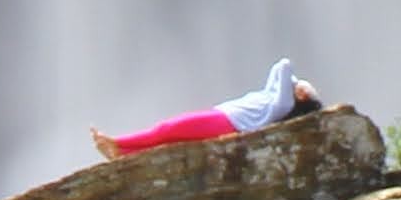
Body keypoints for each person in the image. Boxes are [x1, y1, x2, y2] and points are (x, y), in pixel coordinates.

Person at [92, 60, 323, 160]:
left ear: (302, 95)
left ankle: (117, 143)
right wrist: (296, 85)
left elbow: (284, 65)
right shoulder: (273, 98)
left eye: (300, 87)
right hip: (224, 117)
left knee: (167, 129)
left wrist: (296, 84)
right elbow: (275, 77)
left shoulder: (283, 104)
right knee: (171, 139)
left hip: (227, 122)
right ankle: (123, 153)